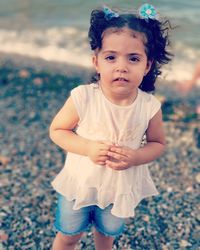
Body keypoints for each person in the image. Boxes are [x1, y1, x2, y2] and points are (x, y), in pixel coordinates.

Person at [49, 4, 172, 250]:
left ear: (147, 66)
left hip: (119, 189)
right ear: (96, 62)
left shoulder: (149, 106)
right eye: (110, 57)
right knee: (68, 236)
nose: (121, 66)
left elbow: (158, 144)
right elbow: (58, 130)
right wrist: (86, 147)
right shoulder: (83, 97)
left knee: (106, 236)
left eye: (134, 58)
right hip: (80, 184)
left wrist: (137, 156)